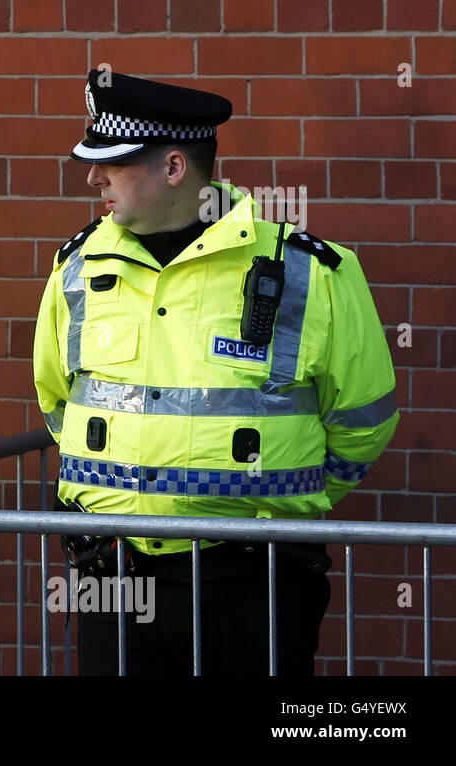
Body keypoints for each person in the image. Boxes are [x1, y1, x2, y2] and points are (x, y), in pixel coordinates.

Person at [33, 70, 399, 675]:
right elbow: (59, 402)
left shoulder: (309, 270)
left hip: (251, 579)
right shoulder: (76, 267)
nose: (93, 177)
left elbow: (364, 422)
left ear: (174, 168)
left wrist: (273, 500)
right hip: (112, 575)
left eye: (113, 162)